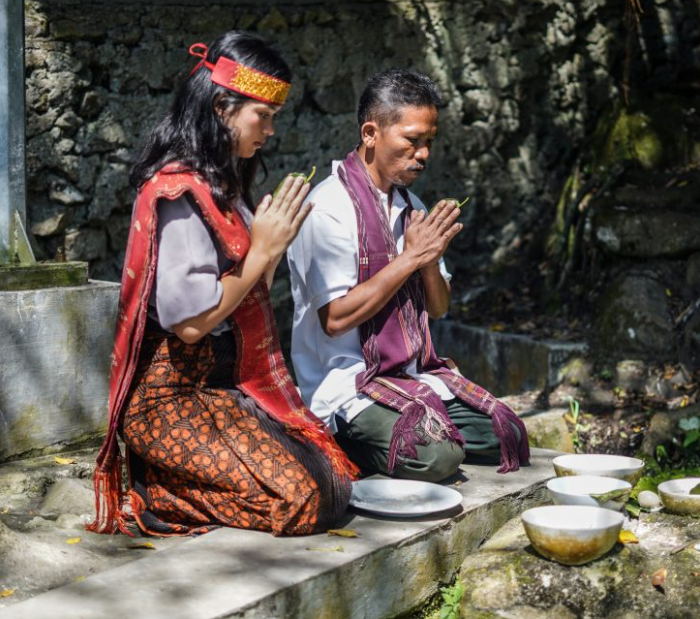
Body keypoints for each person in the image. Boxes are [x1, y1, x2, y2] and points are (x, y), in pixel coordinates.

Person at [88, 31, 358, 537]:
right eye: (264, 116)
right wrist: (262, 252)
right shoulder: (177, 193)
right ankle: (155, 491)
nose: (271, 131)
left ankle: (174, 482)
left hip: (220, 387)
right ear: (222, 107)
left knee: (336, 478)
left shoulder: (225, 189)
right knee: (302, 502)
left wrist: (271, 249)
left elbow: (248, 294)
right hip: (166, 400)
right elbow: (191, 325)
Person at [287, 69, 529, 483]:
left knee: (503, 433)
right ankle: (342, 440)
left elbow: (438, 307)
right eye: (412, 140)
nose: (424, 154)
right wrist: (411, 256)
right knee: (436, 457)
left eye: (429, 142)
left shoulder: (411, 202)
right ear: (370, 133)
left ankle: (405, 435)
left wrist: (430, 260)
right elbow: (335, 320)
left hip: (411, 376)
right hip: (349, 384)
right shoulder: (327, 208)